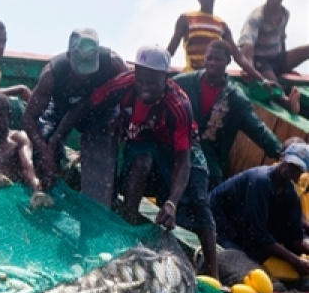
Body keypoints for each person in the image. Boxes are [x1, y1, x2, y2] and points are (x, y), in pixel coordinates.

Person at [52, 45, 218, 278]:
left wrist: (171, 203)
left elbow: (183, 161)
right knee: (139, 164)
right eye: (141, 80)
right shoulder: (124, 84)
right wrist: (57, 138)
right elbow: (84, 106)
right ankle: (126, 241)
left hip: (178, 149)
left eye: (152, 82)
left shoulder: (179, 105)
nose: (144, 87)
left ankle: (214, 272)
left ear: (165, 78)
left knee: (200, 201)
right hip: (143, 140)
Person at [22, 28, 128, 206]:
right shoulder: (51, 74)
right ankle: (46, 193)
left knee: (102, 144)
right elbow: (28, 118)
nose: (84, 76)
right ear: (69, 56)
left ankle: (101, 204)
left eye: (89, 70)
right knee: (45, 143)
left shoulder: (114, 64)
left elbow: (131, 91)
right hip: (61, 108)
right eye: (78, 70)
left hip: (101, 112)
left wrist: (122, 117)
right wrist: (44, 147)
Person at [173, 40, 282, 189]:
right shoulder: (184, 82)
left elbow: (257, 129)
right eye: (209, 58)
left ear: (228, 62)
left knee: (213, 185)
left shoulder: (235, 98)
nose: (211, 62)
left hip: (209, 156)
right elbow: (160, 93)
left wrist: (281, 152)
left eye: (217, 59)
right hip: (178, 147)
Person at [209, 143, 309, 291]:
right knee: (248, 269)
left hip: (241, 231)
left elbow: (294, 236)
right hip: (218, 225)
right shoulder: (260, 180)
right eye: (290, 164)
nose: (291, 170)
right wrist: (295, 261)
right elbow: (256, 232)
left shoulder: (290, 194)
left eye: (297, 168)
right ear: (282, 158)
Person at [167, 0, 270, 80]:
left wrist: (261, 79)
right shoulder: (187, 19)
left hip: (213, 77)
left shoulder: (221, 24)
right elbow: (171, 50)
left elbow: (238, 56)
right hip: (192, 75)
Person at [238, 0, 309, 100]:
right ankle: (287, 102)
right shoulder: (257, 17)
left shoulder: (285, 13)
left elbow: (281, 38)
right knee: (274, 88)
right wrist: (249, 68)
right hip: (261, 61)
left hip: (277, 58)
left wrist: (287, 67)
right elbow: (247, 45)